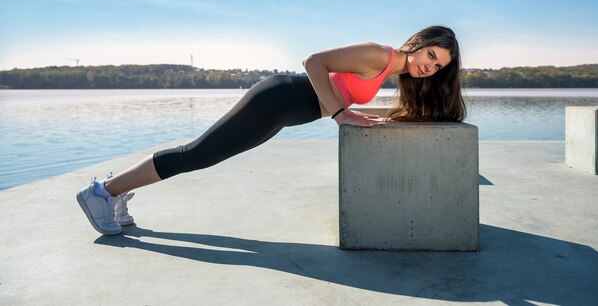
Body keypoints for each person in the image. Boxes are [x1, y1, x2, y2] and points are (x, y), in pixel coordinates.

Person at [76, 25, 466, 235]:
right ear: (417, 43)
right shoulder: (379, 54)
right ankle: (101, 193)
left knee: (201, 154)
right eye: (431, 55)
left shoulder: (394, 71)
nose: (430, 67)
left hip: (281, 113)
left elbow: (343, 86)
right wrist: (339, 115)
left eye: (438, 66)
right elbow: (313, 61)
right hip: (277, 98)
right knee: (198, 154)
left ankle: (115, 188)